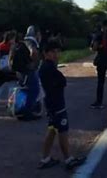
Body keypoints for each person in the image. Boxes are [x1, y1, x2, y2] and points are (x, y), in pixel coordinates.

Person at [38, 40, 86, 170]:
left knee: (52, 130)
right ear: (46, 53)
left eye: (57, 52)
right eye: (53, 52)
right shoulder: (49, 68)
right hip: (56, 104)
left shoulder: (44, 67)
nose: (56, 55)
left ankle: (45, 158)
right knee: (62, 131)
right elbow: (62, 81)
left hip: (50, 103)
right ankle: (68, 159)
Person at [11, 25, 42, 121]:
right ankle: (27, 112)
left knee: (25, 90)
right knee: (34, 90)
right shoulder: (31, 41)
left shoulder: (23, 41)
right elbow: (34, 53)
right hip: (28, 71)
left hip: (20, 71)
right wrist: (33, 63)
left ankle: (21, 109)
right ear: (36, 33)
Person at [0, 31, 18, 109]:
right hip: (10, 68)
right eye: (14, 38)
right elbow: (13, 57)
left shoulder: (0, 45)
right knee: (12, 86)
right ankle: (10, 103)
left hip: (1, 68)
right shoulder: (13, 46)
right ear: (11, 38)